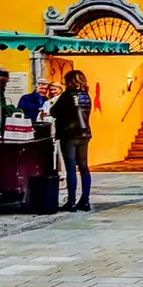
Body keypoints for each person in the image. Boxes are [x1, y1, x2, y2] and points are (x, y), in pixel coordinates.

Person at [51, 69, 93, 212]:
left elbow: (53, 112)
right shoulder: (86, 96)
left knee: (70, 168)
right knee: (84, 167)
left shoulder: (66, 96)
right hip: (84, 135)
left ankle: (72, 202)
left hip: (68, 135)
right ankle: (85, 201)